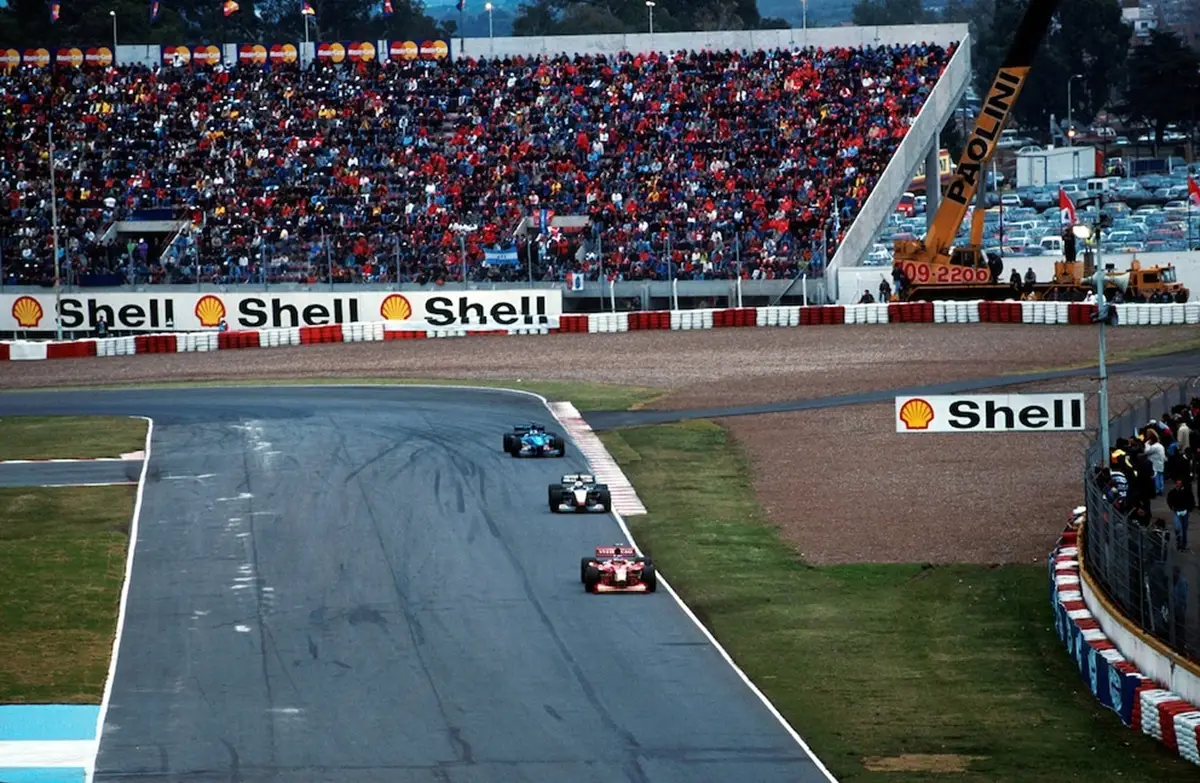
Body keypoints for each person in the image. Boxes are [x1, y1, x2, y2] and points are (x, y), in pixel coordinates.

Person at [1168, 478, 1194, 552]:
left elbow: (1191, 500)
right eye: (1177, 483)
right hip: (1177, 511)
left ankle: (1183, 544)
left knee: (1184, 528)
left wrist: (1189, 509)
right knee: (1177, 527)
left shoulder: (1186, 492)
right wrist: (1172, 507)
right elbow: (1169, 500)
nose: (1178, 485)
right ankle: (1179, 542)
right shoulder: (1173, 492)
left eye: (1180, 483)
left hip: (1185, 511)